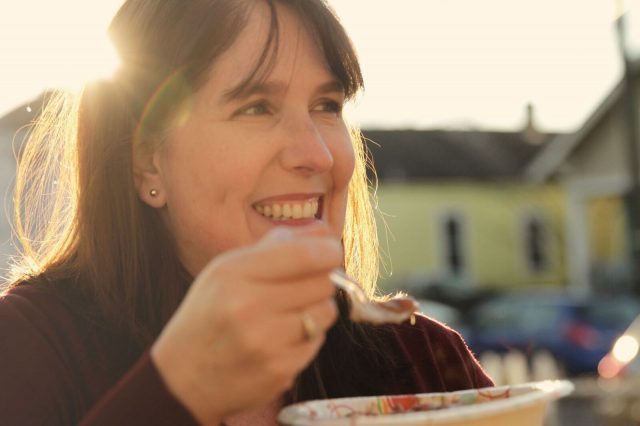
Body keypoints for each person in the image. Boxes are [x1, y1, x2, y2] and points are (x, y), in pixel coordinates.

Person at [0, 1, 493, 425]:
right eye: (256, 107)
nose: (318, 155)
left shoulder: (423, 366)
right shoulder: (27, 350)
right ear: (147, 159)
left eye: (327, 104)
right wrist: (177, 394)